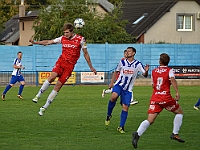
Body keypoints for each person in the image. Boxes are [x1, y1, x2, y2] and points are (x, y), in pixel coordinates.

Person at [29, 23, 97, 116]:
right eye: (64, 32)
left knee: (57, 86)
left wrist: (91, 67)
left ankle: (44, 107)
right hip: (61, 62)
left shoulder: (81, 39)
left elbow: (85, 54)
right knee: (52, 77)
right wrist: (36, 43)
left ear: (72, 31)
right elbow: (49, 42)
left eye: (67, 32)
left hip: (69, 67)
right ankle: (38, 96)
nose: (65, 34)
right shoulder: (62, 38)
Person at [132, 53, 185, 148]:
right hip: (166, 98)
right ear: (168, 62)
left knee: (150, 120)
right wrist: (177, 92)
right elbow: (172, 80)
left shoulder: (154, 71)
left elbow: (153, 85)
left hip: (155, 98)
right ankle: (175, 133)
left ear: (159, 61)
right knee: (179, 112)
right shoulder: (169, 70)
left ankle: (137, 133)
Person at [105, 47, 149, 133]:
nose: (128, 52)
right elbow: (116, 71)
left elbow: (144, 74)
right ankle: (109, 115)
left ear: (133, 53)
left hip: (128, 89)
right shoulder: (122, 62)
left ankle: (121, 127)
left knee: (125, 107)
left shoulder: (138, 64)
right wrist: (111, 83)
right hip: (119, 85)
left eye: (129, 51)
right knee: (113, 97)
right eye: (127, 51)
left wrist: (146, 71)